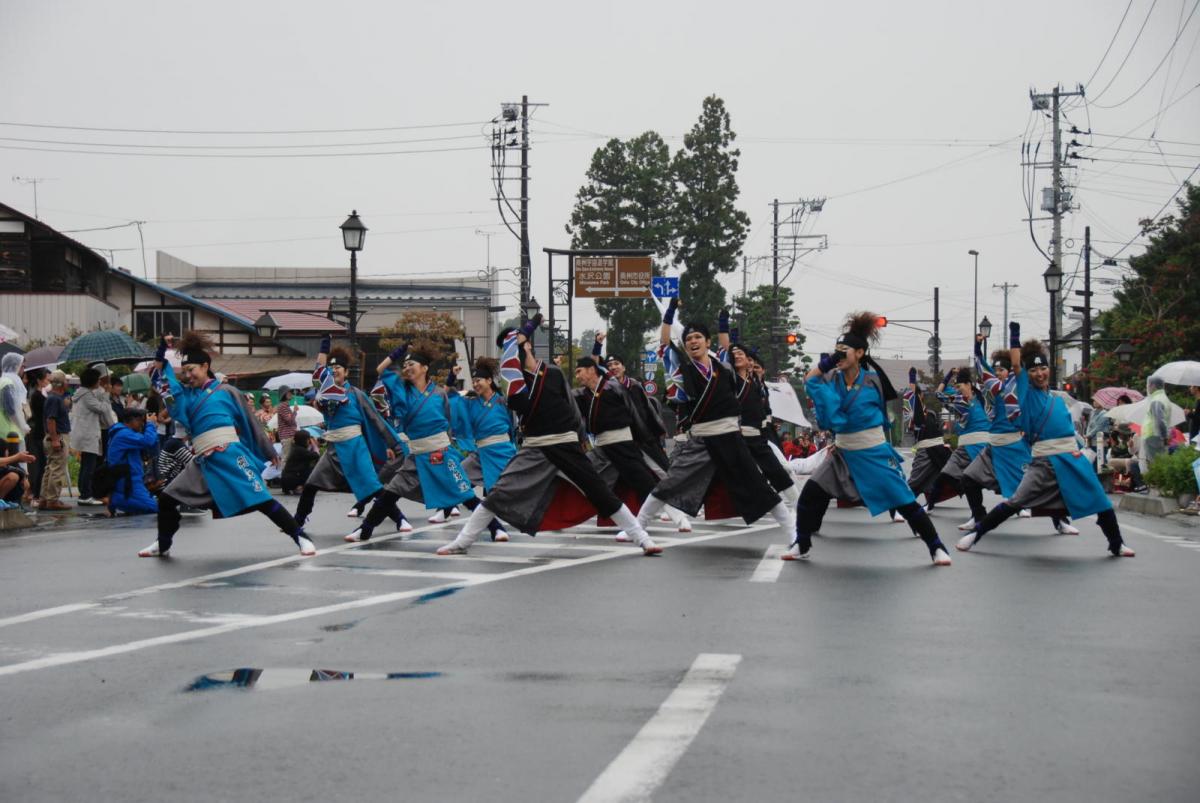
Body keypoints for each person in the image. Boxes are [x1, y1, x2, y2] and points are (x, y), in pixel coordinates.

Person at [437, 317, 662, 556]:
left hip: (566, 444)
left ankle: (642, 538)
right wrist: (526, 332)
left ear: (527, 345)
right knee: (498, 494)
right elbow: (519, 404)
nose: (512, 352)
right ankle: (461, 542)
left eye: (516, 345)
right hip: (535, 447)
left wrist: (581, 439)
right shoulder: (515, 383)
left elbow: (572, 408)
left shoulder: (553, 373)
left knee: (600, 492)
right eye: (508, 349)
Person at [784, 312, 952, 566]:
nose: (839, 356)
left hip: (872, 452)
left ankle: (936, 546)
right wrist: (829, 362)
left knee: (905, 501)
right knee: (810, 494)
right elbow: (810, 381)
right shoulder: (832, 378)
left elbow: (878, 416)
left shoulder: (873, 382)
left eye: (844, 351)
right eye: (836, 351)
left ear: (860, 353)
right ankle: (802, 543)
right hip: (842, 453)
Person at [956, 325, 1135, 558]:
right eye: (1034, 370)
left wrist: (1081, 449)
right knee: (1015, 502)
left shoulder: (1055, 398)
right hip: (1043, 462)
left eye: (1043, 368)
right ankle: (976, 534)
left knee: (1100, 501)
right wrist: (1015, 337)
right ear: (1027, 374)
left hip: (1071, 459)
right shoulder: (1026, 392)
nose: (1039, 373)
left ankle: (1116, 544)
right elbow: (1017, 365)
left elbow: (1068, 431)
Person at [138, 332, 315, 558]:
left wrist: (267, 449)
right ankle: (163, 543)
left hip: (229, 455)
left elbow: (249, 421)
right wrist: (162, 351)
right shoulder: (186, 395)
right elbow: (162, 381)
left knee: (262, 500)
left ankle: (300, 536)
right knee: (166, 499)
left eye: (192, 370)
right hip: (202, 461)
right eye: (185, 371)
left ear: (205, 366)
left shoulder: (227, 392)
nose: (188, 375)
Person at [634, 299, 792, 534]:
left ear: (708, 342)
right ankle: (637, 527)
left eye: (698, 337)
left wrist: (723, 324)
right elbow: (665, 344)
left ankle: (792, 532)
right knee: (670, 482)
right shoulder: (684, 370)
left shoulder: (723, 367)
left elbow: (727, 347)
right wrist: (669, 314)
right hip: (701, 440)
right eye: (688, 339)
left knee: (759, 485)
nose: (693, 341)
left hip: (731, 437)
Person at [348, 344, 477, 543]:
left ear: (425, 368)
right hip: (415, 455)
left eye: (411, 364)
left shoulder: (438, 394)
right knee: (390, 492)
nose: (407, 368)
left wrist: (446, 447)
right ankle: (364, 529)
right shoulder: (402, 391)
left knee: (466, 495)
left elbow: (447, 423)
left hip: (440, 453)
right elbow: (380, 370)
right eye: (405, 365)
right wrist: (397, 353)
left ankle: (494, 527)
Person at [959, 334, 1079, 535]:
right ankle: (978, 515)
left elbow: (1020, 367)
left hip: (1015, 446)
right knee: (968, 478)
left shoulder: (1022, 384)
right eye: (996, 370)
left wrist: (1017, 344)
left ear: (1011, 371)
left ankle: (1060, 521)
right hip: (993, 447)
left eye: (1002, 370)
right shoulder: (996, 387)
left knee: (1039, 487)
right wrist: (978, 346)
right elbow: (982, 369)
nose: (998, 373)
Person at [294, 338, 406, 535]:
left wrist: (394, 445)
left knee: (373, 488)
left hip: (355, 447)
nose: (334, 370)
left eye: (338, 368)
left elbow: (376, 419)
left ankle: (400, 518)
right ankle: (298, 521)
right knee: (311, 484)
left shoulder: (356, 394)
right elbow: (318, 369)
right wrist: (324, 347)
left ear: (346, 372)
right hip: (333, 449)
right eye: (332, 368)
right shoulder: (325, 393)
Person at [572, 356, 690, 538]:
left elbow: (639, 413)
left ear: (591, 370)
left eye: (579, 371)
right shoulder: (584, 394)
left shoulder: (619, 387)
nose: (577, 376)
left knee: (649, 480)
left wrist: (647, 436)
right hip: (603, 447)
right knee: (591, 481)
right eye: (610, 365)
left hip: (628, 441)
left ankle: (676, 517)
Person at [715, 311, 798, 504]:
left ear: (749, 361)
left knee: (778, 471)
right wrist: (723, 325)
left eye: (741, 354)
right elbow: (727, 349)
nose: (737, 356)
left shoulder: (754, 381)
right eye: (734, 354)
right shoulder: (731, 378)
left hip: (758, 436)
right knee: (740, 476)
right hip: (737, 438)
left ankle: (798, 506)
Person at [433, 357, 518, 532]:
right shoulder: (470, 402)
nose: (475, 384)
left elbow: (513, 426)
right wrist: (451, 377)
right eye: (473, 381)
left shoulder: (503, 401)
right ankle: (445, 509)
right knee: (458, 477)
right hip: (481, 452)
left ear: (489, 380)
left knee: (507, 488)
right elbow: (447, 396)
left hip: (503, 451)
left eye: (478, 380)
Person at [592, 334, 670, 470]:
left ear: (623, 367)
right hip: (621, 440)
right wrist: (598, 344)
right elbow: (595, 365)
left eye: (616, 364)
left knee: (662, 469)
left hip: (644, 437)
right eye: (609, 365)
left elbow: (648, 410)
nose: (613, 367)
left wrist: (659, 434)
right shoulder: (607, 389)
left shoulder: (635, 386)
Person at [890, 367, 952, 522]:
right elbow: (913, 395)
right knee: (914, 484)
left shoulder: (928, 412)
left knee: (940, 479)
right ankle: (896, 508)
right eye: (918, 395)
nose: (919, 396)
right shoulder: (917, 414)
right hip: (926, 452)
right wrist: (912, 378)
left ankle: (929, 505)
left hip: (938, 450)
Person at [70, 367, 116, 507]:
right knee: (89, 466)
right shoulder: (87, 395)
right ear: (93, 381)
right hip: (88, 435)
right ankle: (85, 495)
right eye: (97, 380)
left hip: (84, 433)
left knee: (86, 465)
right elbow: (102, 409)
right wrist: (107, 394)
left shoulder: (82, 393)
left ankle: (84, 493)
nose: (99, 382)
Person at [104, 407, 159, 516]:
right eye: (139, 420)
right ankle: (115, 500)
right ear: (131, 420)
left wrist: (150, 427)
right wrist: (150, 424)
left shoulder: (124, 432)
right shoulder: (124, 434)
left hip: (129, 479)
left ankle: (120, 501)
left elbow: (152, 447)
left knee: (152, 504)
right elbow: (148, 441)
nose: (141, 424)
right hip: (128, 480)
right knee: (154, 507)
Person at [40, 371, 73, 511]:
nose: (68, 383)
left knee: (50, 468)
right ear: (61, 384)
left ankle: (45, 498)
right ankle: (52, 499)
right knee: (57, 469)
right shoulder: (55, 399)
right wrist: (55, 439)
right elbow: (51, 419)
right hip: (58, 436)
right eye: (66, 381)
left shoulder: (54, 398)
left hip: (54, 435)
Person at [23, 368, 49, 506]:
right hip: (37, 432)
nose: (48, 381)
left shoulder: (37, 394)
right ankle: (35, 493)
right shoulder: (37, 395)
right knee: (39, 464)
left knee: (39, 464)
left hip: (37, 432)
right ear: (39, 380)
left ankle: (34, 492)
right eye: (46, 379)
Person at [1141, 376, 1171, 470]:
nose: (1147, 387)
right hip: (1159, 436)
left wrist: (1164, 437)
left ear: (1153, 385)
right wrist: (1165, 437)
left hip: (1153, 436)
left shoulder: (1156, 400)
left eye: (1148, 385)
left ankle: (1156, 480)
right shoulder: (1164, 398)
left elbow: (1159, 420)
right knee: (1162, 465)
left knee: (1155, 467)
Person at [281, 429, 320, 495]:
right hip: (292, 480)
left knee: (307, 467)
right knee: (313, 470)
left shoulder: (296, 448)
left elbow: (308, 454)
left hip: (287, 480)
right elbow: (316, 455)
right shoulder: (300, 450)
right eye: (308, 439)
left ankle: (297, 487)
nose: (309, 441)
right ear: (305, 440)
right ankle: (299, 487)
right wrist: (314, 444)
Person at [156, 423, 194, 488]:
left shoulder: (173, 441)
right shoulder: (176, 444)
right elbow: (192, 462)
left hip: (168, 479)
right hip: (168, 482)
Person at [276, 390, 298, 456]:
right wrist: (294, 411)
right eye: (289, 392)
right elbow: (289, 421)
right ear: (284, 394)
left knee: (291, 458)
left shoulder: (285, 406)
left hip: (289, 435)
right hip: (287, 436)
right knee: (286, 458)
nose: (291, 394)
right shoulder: (283, 406)